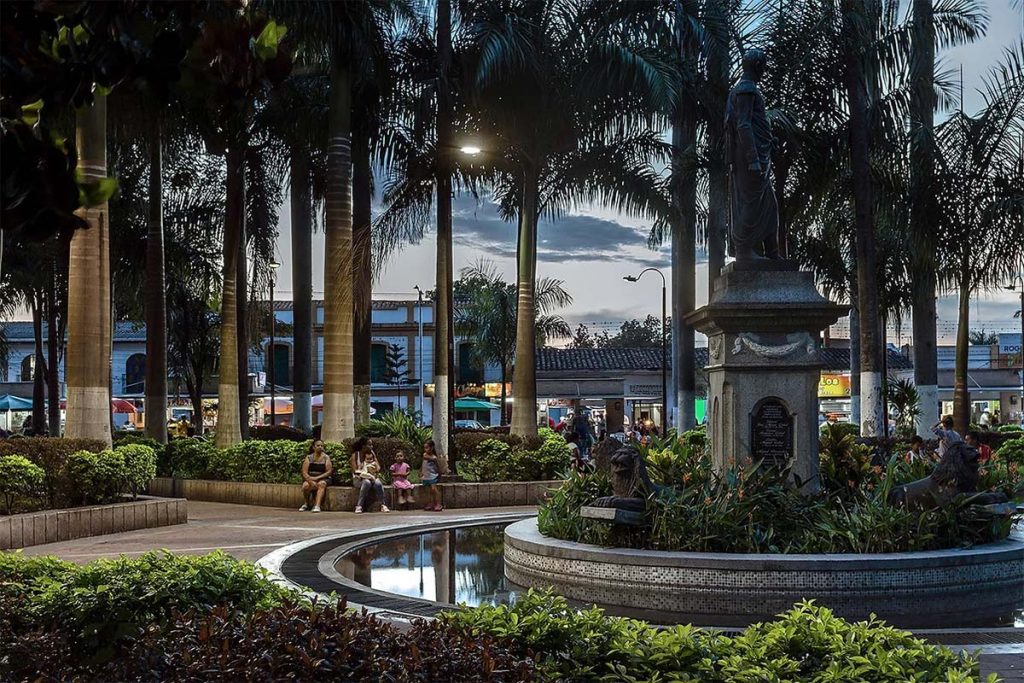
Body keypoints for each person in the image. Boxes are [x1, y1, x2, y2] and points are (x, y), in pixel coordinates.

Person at [349, 437, 389, 514]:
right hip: (359, 479)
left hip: (372, 476)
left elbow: (378, 467)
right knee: (366, 482)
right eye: (369, 445)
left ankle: (383, 504)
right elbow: (355, 471)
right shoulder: (355, 455)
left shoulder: (372, 454)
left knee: (378, 483)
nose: (371, 447)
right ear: (363, 446)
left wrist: (374, 468)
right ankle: (359, 505)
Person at [300, 439, 333, 512]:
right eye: (318, 445)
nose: (320, 447)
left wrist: (317, 478)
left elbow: (329, 471)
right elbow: (304, 472)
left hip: (323, 478)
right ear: (313, 447)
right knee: (306, 485)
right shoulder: (309, 457)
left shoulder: (326, 457)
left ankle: (317, 505)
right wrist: (310, 480)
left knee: (321, 484)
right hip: (310, 477)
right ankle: (306, 503)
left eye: (322, 446)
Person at [420, 439, 442, 511]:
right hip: (426, 475)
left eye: (427, 448)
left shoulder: (434, 457)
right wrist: (420, 471)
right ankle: (431, 503)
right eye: (425, 448)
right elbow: (423, 463)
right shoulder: (425, 455)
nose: (426, 449)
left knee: (433, 489)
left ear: (432, 448)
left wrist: (439, 473)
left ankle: (438, 503)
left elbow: (437, 465)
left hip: (432, 475)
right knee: (428, 490)